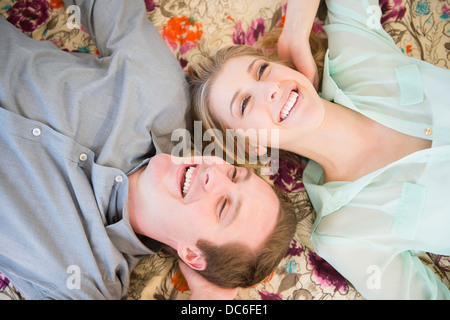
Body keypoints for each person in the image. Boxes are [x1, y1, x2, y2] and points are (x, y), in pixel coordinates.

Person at [0, 0, 298, 299]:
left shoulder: (88, 281)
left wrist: (211, 299)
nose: (215, 175)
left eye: (223, 207)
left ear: (193, 256)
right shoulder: (162, 96)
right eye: (234, 174)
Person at [188, 0, 450, 299]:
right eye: (245, 104)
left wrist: (295, 31)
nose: (270, 88)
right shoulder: (344, 234)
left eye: (261, 70)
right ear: (251, 144)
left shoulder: (357, 59)